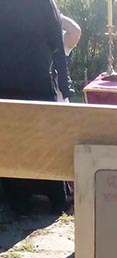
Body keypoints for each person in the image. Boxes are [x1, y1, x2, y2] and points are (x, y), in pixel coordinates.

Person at [0, 0, 71, 213]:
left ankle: (17, 196)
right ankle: (54, 195)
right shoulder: (43, 3)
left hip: (7, 81)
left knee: (13, 137)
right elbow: (56, 43)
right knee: (42, 135)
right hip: (36, 79)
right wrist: (65, 87)